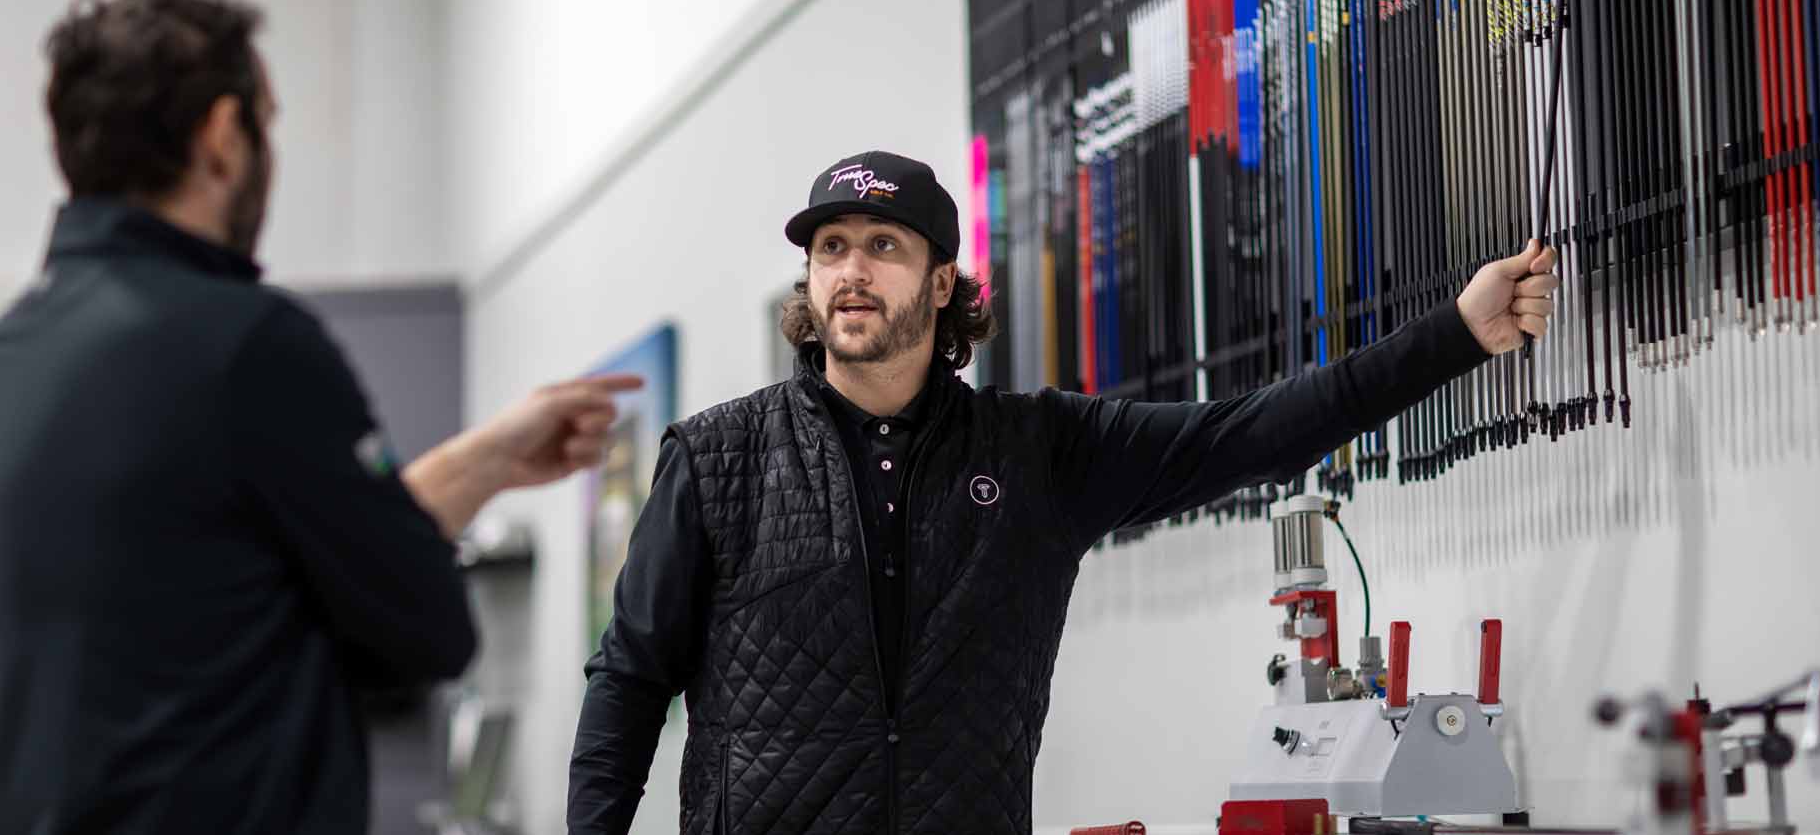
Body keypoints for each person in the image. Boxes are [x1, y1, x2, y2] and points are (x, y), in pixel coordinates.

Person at [566, 150, 1560, 834]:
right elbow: (629, 679)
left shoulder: (1038, 449)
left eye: (882, 245)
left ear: (943, 282)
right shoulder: (716, 457)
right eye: (830, 247)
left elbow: (1254, 432)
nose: (850, 271)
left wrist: (1455, 335)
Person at [0, 0, 640, 835]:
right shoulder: (246, 344)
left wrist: (486, 462)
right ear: (221, 137)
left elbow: (237, 586)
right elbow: (424, 628)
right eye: (267, 123)